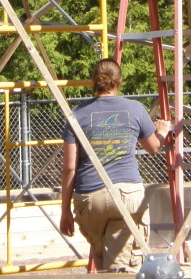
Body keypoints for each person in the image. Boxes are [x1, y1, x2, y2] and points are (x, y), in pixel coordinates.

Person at [60, 59, 172, 273]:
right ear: (119, 81)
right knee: (121, 269)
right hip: (127, 195)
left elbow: (69, 168)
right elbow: (153, 147)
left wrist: (65, 211)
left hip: (89, 199)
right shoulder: (135, 109)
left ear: (94, 81)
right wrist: (163, 130)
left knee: (102, 262)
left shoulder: (77, 114)